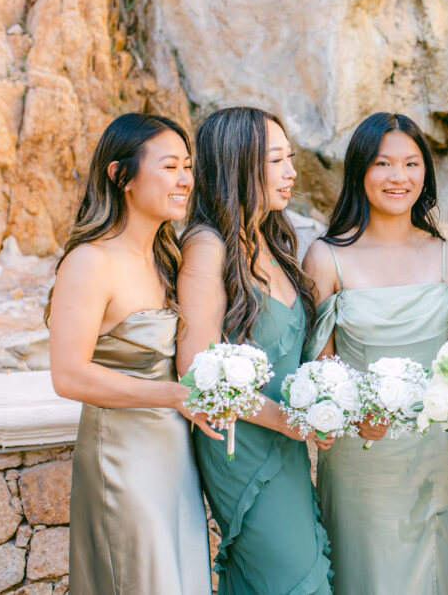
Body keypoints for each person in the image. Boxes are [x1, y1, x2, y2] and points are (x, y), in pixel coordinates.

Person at [48, 113, 213, 594]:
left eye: (187, 166)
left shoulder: (170, 259)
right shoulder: (90, 262)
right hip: (123, 460)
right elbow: (69, 376)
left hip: (175, 458)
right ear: (121, 176)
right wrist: (172, 394)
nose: (184, 179)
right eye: (169, 166)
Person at [302, 112, 448, 594]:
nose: (399, 178)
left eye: (412, 164)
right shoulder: (326, 257)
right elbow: (318, 368)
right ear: (359, 172)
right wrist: (349, 416)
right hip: (360, 456)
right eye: (383, 164)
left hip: (433, 454)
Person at [177, 107, 333, 595]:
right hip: (239, 448)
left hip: (286, 446)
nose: (291, 172)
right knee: (294, 583)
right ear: (237, 164)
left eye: (291, 158)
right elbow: (197, 377)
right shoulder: (208, 246)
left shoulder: (273, 239)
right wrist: (294, 422)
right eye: (275, 160)